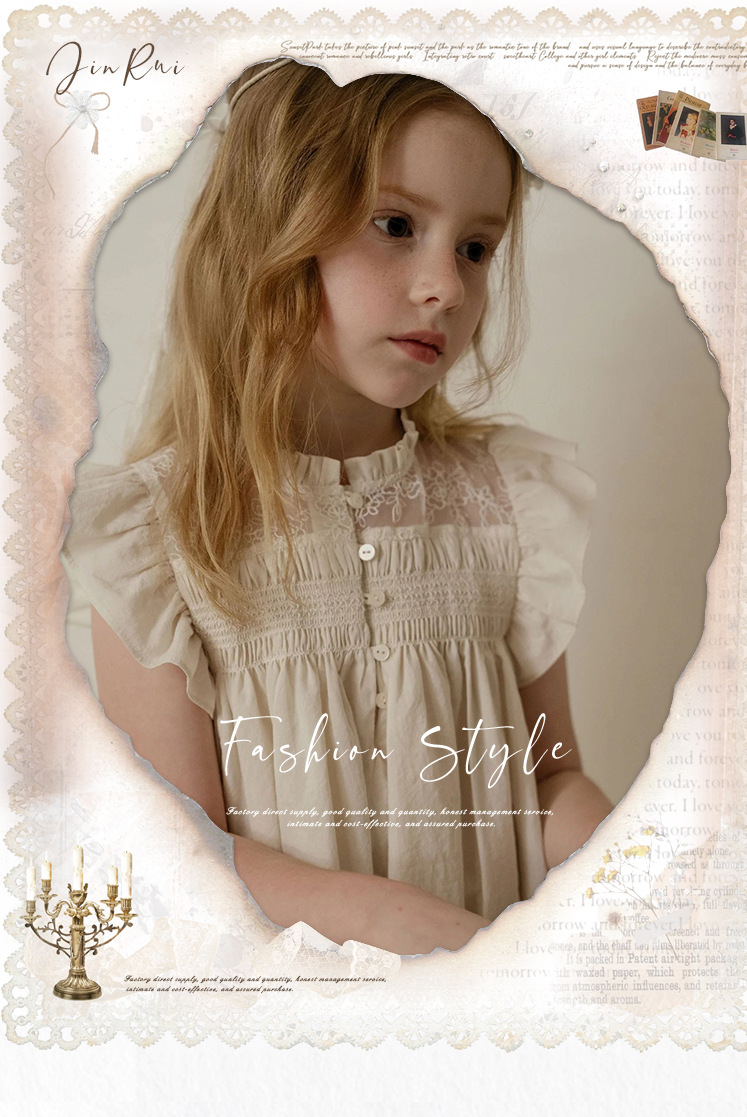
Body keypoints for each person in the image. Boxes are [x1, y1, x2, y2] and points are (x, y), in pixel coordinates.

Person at [63, 60, 612, 956]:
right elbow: (173, 852)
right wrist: (368, 916)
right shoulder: (160, 536)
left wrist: (626, 865)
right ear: (272, 232)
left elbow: (547, 777)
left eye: (476, 248)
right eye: (396, 226)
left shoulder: (505, 504)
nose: (448, 286)